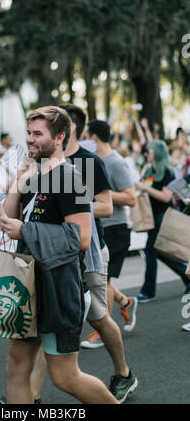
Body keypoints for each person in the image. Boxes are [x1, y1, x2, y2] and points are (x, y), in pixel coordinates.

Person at [0, 106, 118, 404]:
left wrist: (25, 231)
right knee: (17, 363)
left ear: (59, 137)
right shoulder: (33, 173)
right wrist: (18, 180)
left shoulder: (71, 177)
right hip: (28, 285)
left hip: (59, 287)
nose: (30, 140)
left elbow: (81, 237)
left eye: (38, 134)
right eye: (28, 133)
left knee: (65, 377)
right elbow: (7, 221)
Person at [86, 120, 138, 338]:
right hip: (97, 228)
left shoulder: (115, 162)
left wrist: (102, 192)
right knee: (96, 278)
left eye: (85, 135)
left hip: (115, 228)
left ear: (94, 137)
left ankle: (103, 331)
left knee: (103, 280)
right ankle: (126, 301)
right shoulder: (91, 161)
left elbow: (131, 198)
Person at [135, 140, 190, 302]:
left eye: (149, 151)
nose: (147, 154)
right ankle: (187, 278)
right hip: (153, 217)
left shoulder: (167, 171)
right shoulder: (150, 171)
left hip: (163, 216)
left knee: (151, 251)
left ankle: (148, 290)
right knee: (161, 253)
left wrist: (145, 188)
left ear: (157, 153)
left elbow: (166, 197)